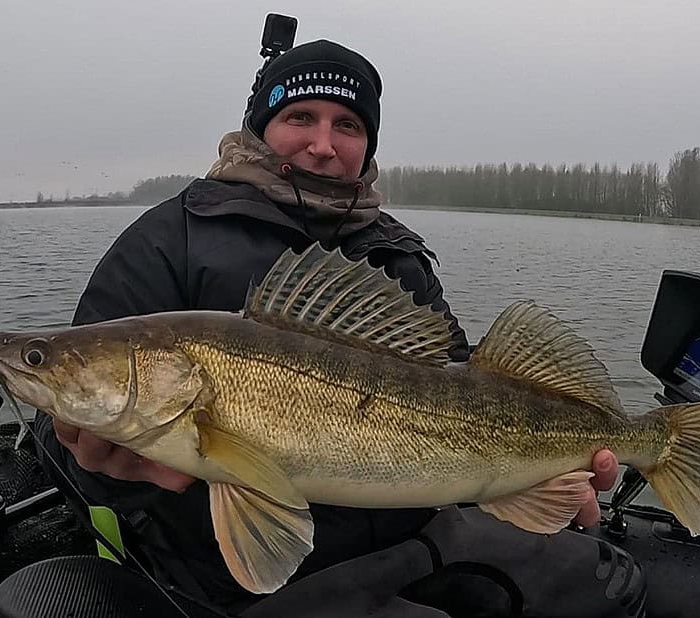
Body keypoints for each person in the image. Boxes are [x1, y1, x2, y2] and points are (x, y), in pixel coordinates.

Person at [32, 35, 622, 616]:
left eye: (348, 125)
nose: (322, 144)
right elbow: (71, 441)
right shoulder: (166, 242)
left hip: (416, 547)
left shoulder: (396, 254)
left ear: (367, 145)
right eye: (300, 116)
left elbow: (460, 380)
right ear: (260, 127)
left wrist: (548, 481)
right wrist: (112, 474)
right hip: (227, 579)